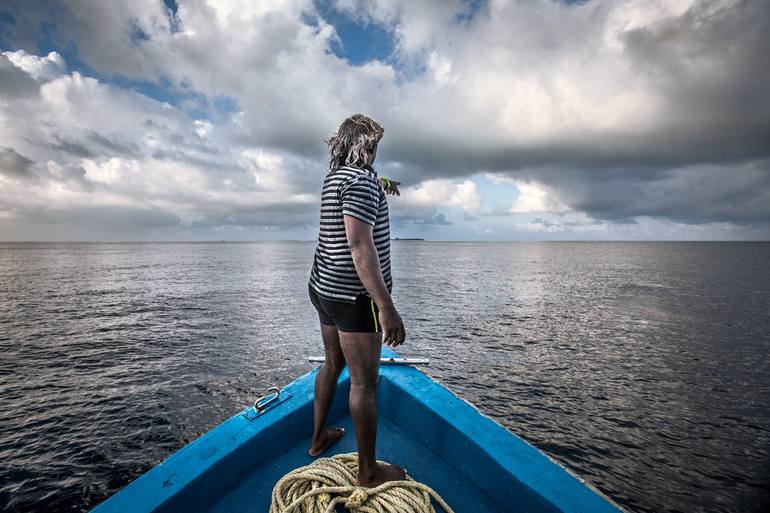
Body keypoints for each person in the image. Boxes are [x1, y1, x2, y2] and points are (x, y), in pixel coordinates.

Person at [307, 113, 407, 487]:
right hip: (353, 296)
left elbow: (359, 191)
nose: (377, 151)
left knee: (332, 363)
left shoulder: (335, 177)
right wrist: (386, 307)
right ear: (366, 146)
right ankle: (368, 473)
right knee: (365, 384)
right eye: (375, 145)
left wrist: (383, 182)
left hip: (323, 287)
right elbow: (360, 245)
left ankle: (317, 438)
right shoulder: (363, 184)